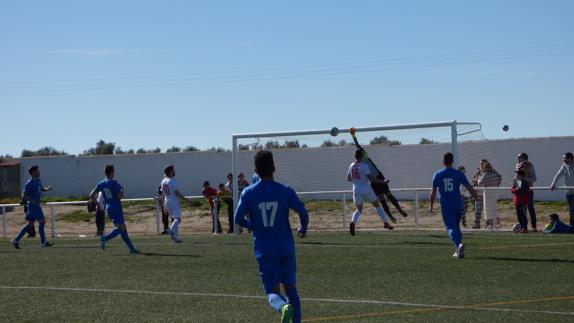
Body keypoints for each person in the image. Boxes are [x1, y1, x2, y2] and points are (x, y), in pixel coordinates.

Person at [234, 150, 309, 323]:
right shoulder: (285, 191)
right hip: (286, 247)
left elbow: (238, 218)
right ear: (274, 168)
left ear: (256, 170)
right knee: (290, 288)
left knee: (272, 292)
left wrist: (253, 225)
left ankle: (283, 307)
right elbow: (302, 212)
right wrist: (303, 228)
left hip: (264, 249)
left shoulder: (248, 192)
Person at [429, 153, 478, 259]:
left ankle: (458, 245)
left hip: (446, 205)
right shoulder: (458, 174)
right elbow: (469, 186)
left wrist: (431, 205)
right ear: (452, 161)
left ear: (443, 161)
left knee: (450, 228)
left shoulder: (438, 174)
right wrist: (475, 197)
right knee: (456, 227)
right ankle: (458, 251)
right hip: (458, 204)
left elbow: (433, 192)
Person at [89, 165, 139, 254]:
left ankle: (131, 248)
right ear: (112, 172)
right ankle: (105, 238)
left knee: (123, 228)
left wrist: (98, 204)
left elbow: (91, 195)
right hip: (116, 208)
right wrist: (122, 191)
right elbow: (120, 196)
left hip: (109, 208)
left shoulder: (101, 183)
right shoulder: (114, 183)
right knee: (121, 229)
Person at [348, 149, 394, 236]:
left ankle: (353, 222)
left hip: (356, 190)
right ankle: (385, 223)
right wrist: (383, 182)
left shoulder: (351, 166)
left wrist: (357, 180)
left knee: (359, 210)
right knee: (377, 205)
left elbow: (349, 179)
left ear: (355, 156)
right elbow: (371, 179)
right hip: (366, 189)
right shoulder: (364, 166)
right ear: (362, 157)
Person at [11, 165, 54, 249]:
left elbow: (41, 189)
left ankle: (16, 240)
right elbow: (23, 195)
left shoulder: (38, 180)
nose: (39, 172)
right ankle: (43, 243)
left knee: (30, 225)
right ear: (33, 173)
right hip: (33, 206)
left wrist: (47, 189)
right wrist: (31, 200)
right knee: (42, 222)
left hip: (36, 205)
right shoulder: (29, 183)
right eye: (37, 171)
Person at [160, 165, 192, 243]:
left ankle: (176, 238)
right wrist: (186, 199)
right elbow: (177, 193)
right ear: (171, 171)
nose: (174, 171)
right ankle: (171, 229)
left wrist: (164, 205)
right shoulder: (171, 181)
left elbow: (163, 194)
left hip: (167, 202)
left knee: (174, 220)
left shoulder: (163, 181)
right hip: (173, 201)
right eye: (173, 170)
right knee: (178, 219)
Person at [473, 159, 502, 229]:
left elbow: (480, 183)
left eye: (482, 164)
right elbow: (474, 181)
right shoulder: (479, 172)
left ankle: (494, 224)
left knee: (489, 210)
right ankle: (484, 224)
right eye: (480, 164)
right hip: (482, 194)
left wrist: (496, 185)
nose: (481, 165)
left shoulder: (487, 174)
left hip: (488, 194)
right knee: (482, 210)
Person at [550, 152, 574, 226]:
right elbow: (558, 175)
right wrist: (553, 184)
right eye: (563, 158)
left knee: (572, 210)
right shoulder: (564, 166)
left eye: (565, 158)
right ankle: (572, 226)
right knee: (571, 210)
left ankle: (572, 226)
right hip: (568, 192)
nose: (563, 160)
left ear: (570, 158)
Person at [516, 153, 537, 231]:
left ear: (524, 158)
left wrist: (523, 179)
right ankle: (524, 226)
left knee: (530, 208)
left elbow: (534, 178)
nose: (518, 158)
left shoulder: (529, 165)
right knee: (522, 209)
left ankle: (534, 226)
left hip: (528, 190)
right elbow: (516, 178)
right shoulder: (517, 166)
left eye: (519, 157)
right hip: (519, 191)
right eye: (518, 157)